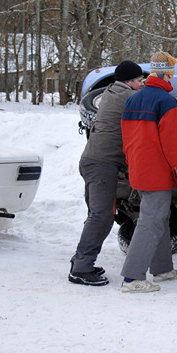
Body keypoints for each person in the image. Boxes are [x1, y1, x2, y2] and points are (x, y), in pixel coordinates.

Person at [119, 51, 177, 293]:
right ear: (167, 75)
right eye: (172, 75)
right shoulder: (167, 102)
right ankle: (132, 278)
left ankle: (162, 269)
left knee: (158, 218)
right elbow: (174, 146)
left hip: (139, 170)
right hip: (157, 174)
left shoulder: (133, 99)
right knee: (150, 222)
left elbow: (127, 140)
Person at [69, 61, 145, 286]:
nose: (142, 84)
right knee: (101, 216)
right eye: (140, 80)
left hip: (93, 161)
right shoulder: (128, 97)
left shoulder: (112, 92)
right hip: (102, 164)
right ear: (130, 81)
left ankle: (81, 261)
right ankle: (81, 268)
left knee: (97, 215)